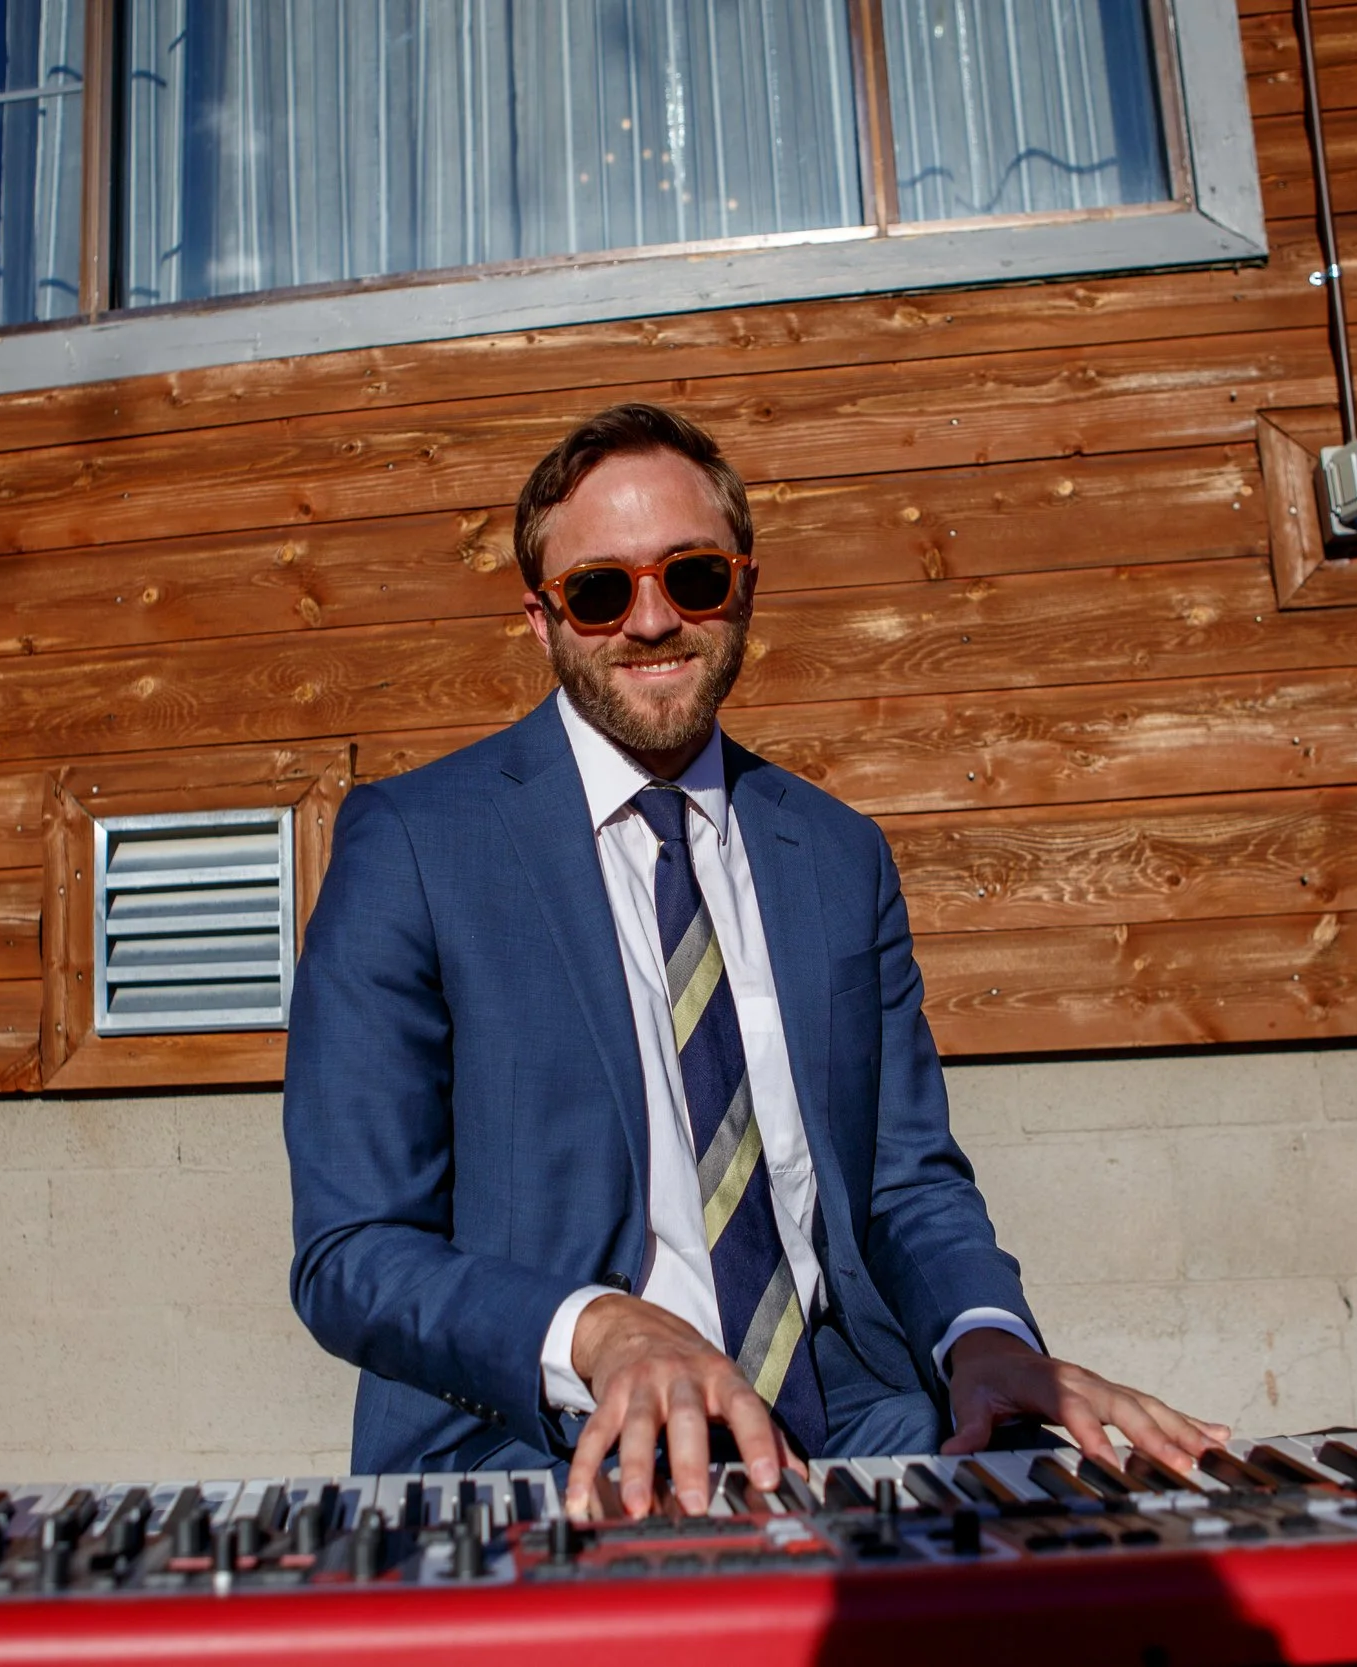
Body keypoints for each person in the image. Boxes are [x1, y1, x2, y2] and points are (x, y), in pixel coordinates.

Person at [286, 403, 1226, 1519]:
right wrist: (600, 1327)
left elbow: (905, 1180)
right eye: (599, 590)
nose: (648, 621)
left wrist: (986, 1338)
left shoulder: (834, 851)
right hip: (538, 1447)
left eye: (689, 576)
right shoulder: (414, 843)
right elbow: (349, 1251)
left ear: (742, 587)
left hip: (852, 1421)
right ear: (541, 620)